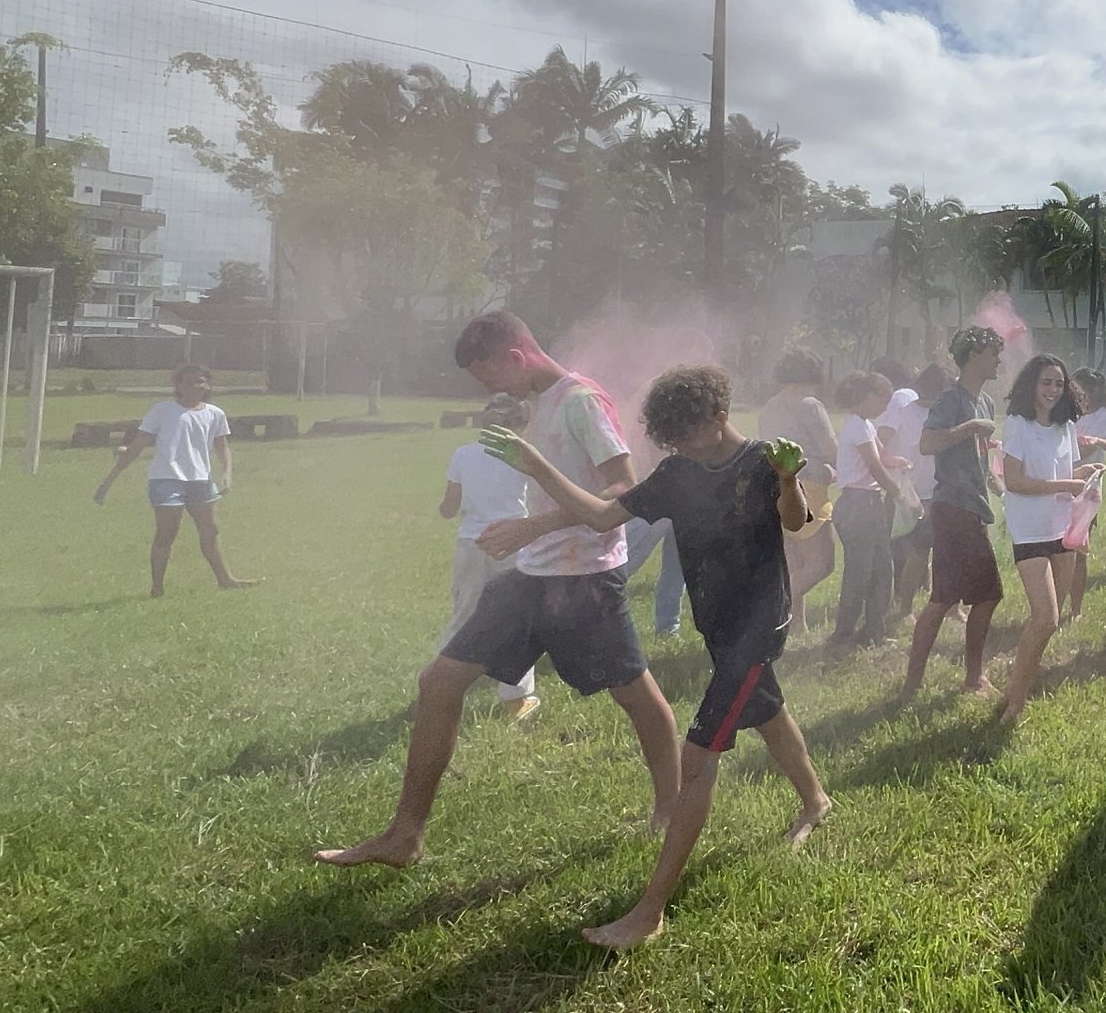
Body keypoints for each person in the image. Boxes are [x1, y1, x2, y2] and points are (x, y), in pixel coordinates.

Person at [481, 362, 832, 948]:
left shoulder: (763, 458)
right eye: (675, 441)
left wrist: (790, 479)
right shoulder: (675, 473)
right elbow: (599, 515)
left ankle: (649, 914)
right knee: (765, 709)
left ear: (720, 415)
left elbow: (795, 526)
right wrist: (534, 464)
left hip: (759, 626)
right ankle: (816, 800)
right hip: (718, 627)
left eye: (692, 435)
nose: (687, 450)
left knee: (697, 760)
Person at [318, 311, 678, 871]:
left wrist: (530, 526)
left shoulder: (581, 399)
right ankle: (405, 836)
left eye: (491, 378)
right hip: (531, 576)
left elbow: (622, 489)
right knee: (439, 682)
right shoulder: (542, 405)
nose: (492, 391)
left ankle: (670, 810)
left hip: (583, 579)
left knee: (635, 693)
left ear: (515, 356)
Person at [903, 327, 1007, 699]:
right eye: (993, 352)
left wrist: (992, 481)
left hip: (972, 507)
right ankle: (966, 679)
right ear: (973, 355)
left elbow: (971, 451)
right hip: (953, 508)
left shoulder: (986, 402)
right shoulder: (952, 398)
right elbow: (928, 443)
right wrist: (970, 428)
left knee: (957, 597)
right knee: (971, 595)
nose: (999, 359)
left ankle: (927, 684)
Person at [93, 363, 258, 596]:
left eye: (200, 381)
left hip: (200, 480)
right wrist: (108, 481)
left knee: (210, 531)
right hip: (166, 479)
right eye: (188, 381)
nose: (194, 386)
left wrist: (227, 473)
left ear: (208, 385)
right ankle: (157, 587)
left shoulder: (215, 414)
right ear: (178, 385)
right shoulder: (162, 410)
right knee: (166, 534)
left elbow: (222, 447)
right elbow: (137, 446)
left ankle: (225, 579)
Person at [997, 354, 1098, 726]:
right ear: (1031, 385)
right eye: (1046, 382)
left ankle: (1014, 689)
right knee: (1046, 618)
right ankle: (1016, 701)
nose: (1053, 390)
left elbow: (1069, 472)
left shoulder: (1064, 426)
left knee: (1046, 623)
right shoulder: (1017, 424)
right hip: (1029, 533)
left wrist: (1087, 474)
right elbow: (1014, 481)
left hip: (1063, 530)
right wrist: (1064, 485)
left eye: (1059, 383)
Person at [436, 392, 540, 718]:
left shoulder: (463, 454)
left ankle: (441, 685)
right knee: (517, 619)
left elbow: (448, 509)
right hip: (513, 542)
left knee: (464, 613)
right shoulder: (523, 456)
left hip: (472, 543)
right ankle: (516, 698)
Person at [758, 351, 839, 635]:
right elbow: (830, 448)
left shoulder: (770, 405)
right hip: (811, 487)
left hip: (775, 485)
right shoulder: (811, 405)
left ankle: (796, 626)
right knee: (821, 563)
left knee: (794, 560)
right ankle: (774, 608)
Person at [830, 369, 904, 645]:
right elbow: (873, 466)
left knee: (882, 569)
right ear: (867, 396)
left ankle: (874, 630)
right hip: (857, 505)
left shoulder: (867, 425)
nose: (885, 405)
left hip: (869, 505)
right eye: (883, 398)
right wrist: (896, 491)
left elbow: (882, 456)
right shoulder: (856, 426)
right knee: (859, 573)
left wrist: (898, 462)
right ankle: (844, 634)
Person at [888, 361, 952, 621]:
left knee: (939, 552)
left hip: (937, 490)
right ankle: (905, 607)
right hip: (915, 493)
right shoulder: (909, 413)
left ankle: (943, 604)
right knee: (918, 552)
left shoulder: (935, 414)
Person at [1063, 365, 1106, 620]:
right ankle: (1055, 605)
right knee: (1057, 549)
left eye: (1088, 388)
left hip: (1086, 491)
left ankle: (1075, 610)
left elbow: (1082, 452)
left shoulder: (1104, 416)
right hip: (1060, 485)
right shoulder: (1067, 414)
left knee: (1078, 551)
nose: (1084, 393)